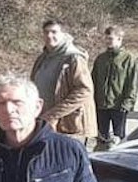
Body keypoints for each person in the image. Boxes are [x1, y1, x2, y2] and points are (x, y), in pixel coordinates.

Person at [31, 18, 97, 146]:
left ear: (63, 35)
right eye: (46, 32)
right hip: (45, 123)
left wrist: (53, 114)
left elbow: (84, 91)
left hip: (69, 125)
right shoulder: (42, 58)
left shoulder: (74, 58)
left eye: (54, 32)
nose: (49, 36)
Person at [90, 26, 138, 149]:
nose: (108, 41)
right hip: (101, 104)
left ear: (119, 39)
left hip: (119, 105)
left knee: (119, 138)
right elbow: (93, 80)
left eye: (111, 39)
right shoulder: (100, 59)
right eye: (106, 39)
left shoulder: (128, 59)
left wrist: (128, 102)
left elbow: (132, 83)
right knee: (101, 137)